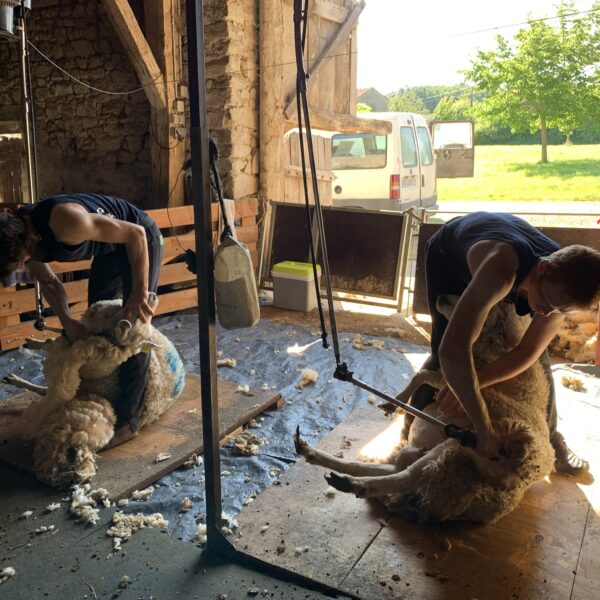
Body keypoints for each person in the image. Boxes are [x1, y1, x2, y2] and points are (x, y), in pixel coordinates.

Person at [405, 211, 600, 474]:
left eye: (560, 310)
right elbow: (453, 349)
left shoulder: (559, 287)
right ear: (543, 269)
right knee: (447, 348)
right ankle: (412, 421)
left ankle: (551, 435)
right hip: (450, 255)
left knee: (540, 361)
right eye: (547, 303)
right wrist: (484, 426)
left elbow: (528, 349)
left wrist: (480, 380)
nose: (547, 313)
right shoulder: (501, 272)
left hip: (522, 268)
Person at [0, 193, 163, 442]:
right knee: (96, 315)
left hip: (139, 238)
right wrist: (68, 322)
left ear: (28, 240)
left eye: (21, 261)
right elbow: (49, 282)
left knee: (133, 327)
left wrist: (139, 294)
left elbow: (136, 234)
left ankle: (129, 419)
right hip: (110, 249)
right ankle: (107, 391)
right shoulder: (25, 237)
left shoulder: (66, 221)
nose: (24, 265)